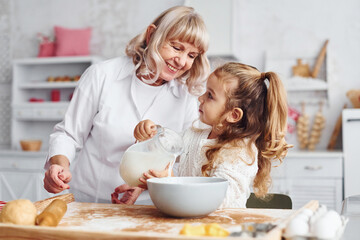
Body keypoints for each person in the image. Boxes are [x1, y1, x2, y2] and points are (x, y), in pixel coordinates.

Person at [43, 5, 210, 204]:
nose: (182, 61)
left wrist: (149, 182)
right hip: (90, 201)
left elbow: (184, 161)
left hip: (151, 207)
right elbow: (68, 134)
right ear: (151, 35)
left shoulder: (188, 97)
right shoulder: (102, 76)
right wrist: (59, 165)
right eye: (176, 47)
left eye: (192, 55)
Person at [134, 62, 292, 208]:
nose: (200, 98)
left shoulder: (239, 153)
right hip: (189, 225)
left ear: (233, 115)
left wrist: (171, 180)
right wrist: (149, 135)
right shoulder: (194, 134)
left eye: (210, 95)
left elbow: (217, 200)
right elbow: (162, 151)